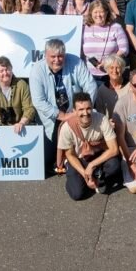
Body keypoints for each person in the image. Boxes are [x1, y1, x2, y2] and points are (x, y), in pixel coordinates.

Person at [29, 39, 98, 172]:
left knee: (83, 153)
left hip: (76, 113)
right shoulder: (37, 70)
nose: (57, 60)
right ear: (45, 56)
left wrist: (81, 110)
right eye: (53, 57)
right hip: (51, 118)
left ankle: (75, 159)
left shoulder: (76, 62)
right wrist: (63, 116)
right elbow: (39, 101)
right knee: (45, 162)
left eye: (60, 56)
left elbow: (91, 86)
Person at [58, 92, 122, 200]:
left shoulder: (102, 119)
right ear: (74, 111)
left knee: (114, 165)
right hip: (78, 159)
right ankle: (82, 178)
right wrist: (85, 174)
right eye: (81, 109)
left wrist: (91, 165)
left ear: (92, 107)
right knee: (77, 194)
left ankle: (98, 178)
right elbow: (70, 155)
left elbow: (114, 149)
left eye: (88, 108)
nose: (85, 113)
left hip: (95, 156)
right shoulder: (67, 127)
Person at [0, 56, 37, 134]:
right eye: (1, 71)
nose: (5, 73)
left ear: (11, 70)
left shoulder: (22, 85)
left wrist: (22, 123)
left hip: (18, 128)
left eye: (7, 69)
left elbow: (29, 109)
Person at [82, 0, 129, 81]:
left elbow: (124, 50)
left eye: (101, 12)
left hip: (112, 74)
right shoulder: (84, 29)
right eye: (95, 12)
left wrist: (108, 62)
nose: (98, 15)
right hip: (88, 75)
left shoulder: (116, 27)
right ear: (91, 13)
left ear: (107, 12)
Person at [93, 53, 129, 119]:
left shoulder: (130, 87)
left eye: (117, 67)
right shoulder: (102, 90)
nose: (114, 71)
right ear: (107, 70)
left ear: (122, 69)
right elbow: (100, 114)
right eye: (111, 68)